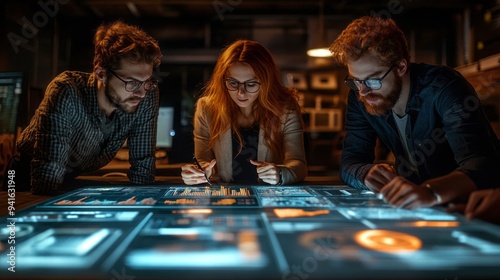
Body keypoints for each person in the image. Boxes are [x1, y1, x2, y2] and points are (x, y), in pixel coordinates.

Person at [329, 16, 500, 209]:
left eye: (372, 80)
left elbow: (482, 165)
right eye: (356, 80)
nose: (363, 92)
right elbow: (350, 161)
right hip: (416, 206)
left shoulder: (445, 88)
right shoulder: (360, 96)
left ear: (401, 66)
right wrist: (365, 173)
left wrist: (430, 191)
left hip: (473, 207)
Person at [2, 20, 163, 194]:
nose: (141, 92)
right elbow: (46, 180)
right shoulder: (66, 91)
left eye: (147, 82)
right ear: (101, 73)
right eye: (132, 82)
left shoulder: (147, 93)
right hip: (24, 178)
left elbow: (143, 173)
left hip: (70, 176)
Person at [181, 39, 307, 186]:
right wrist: (198, 173)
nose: (241, 93)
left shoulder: (286, 108)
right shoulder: (207, 108)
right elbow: (203, 161)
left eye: (251, 84)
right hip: (225, 198)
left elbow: (298, 164)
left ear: (266, 81)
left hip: (270, 197)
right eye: (233, 83)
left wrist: (280, 173)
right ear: (223, 80)